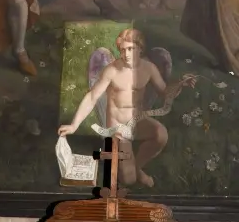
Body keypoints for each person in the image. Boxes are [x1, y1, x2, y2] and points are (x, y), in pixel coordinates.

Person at [58, 28, 196, 187]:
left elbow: (165, 92)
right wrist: (74, 125)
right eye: (123, 50)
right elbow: (92, 97)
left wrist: (180, 83)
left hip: (137, 122)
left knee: (161, 135)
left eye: (131, 49)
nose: (126, 54)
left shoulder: (149, 68)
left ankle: (137, 167)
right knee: (129, 180)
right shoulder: (112, 70)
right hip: (117, 128)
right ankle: (129, 166)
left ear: (140, 48)